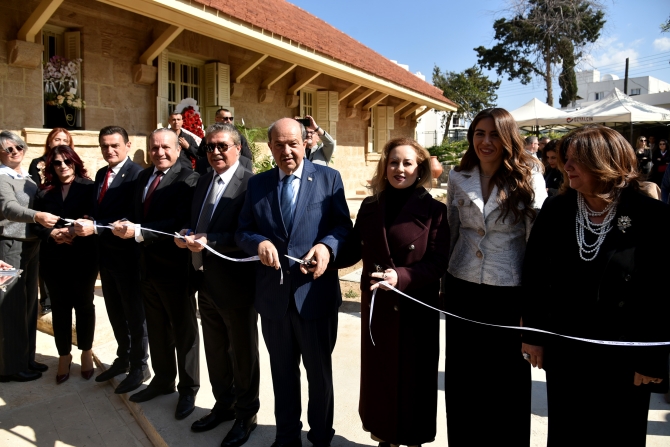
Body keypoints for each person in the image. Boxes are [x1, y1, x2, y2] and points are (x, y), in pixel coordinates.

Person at [521, 124, 670, 446]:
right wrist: (533, 335)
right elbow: (534, 276)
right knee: (568, 434)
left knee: (619, 435)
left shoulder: (652, 216)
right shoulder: (556, 210)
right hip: (567, 353)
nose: (566, 167)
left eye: (577, 160)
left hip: (625, 357)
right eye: (565, 159)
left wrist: (653, 358)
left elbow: (663, 291)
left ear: (606, 162)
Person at [235, 118, 352, 447]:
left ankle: (320, 438)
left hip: (314, 297)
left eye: (293, 143)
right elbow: (242, 230)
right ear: (270, 148)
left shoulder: (329, 179)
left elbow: (343, 228)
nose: (286, 150)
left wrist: (327, 246)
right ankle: (286, 437)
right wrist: (257, 242)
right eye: (279, 144)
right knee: (282, 376)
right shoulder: (258, 185)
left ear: (306, 144)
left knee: (319, 377)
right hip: (273, 301)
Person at [443, 108, 547, 446]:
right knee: (462, 379)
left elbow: (538, 244)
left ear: (507, 138)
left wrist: (531, 310)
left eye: (493, 134)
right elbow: (452, 229)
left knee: (507, 383)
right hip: (463, 287)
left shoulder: (528, 174)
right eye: (479, 134)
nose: (485, 141)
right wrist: (445, 285)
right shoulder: (458, 175)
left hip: (509, 291)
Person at [336, 137, 449, 447]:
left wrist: (400, 276)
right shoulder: (370, 206)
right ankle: (385, 436)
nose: (399, 168)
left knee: (415, 380)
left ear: (420, 168)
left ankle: (413, 439)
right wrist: (322, 255)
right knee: (381, 378)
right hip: (379, 309)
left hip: (416, 308)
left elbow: (439, 263)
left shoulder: (435, 211)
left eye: (407, 163)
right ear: (384, 166)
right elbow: (353, 250)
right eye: (393, 162)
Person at [175, 123, 259, 447]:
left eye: (222, 146)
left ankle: (246, 414)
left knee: (243, 355)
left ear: (238, 148)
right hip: (204, 283)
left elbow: (248, 234)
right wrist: (186, 233)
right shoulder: (204, 180)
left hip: (236, 287)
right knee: (216, 353)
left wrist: (209, 240)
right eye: (210, 147)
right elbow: (197, 222)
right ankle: (224, 405)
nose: (215, 152)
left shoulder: (251, 184)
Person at [111, 128, 200, 420]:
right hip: (146, 269)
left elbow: (179, 221)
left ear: (178, 149)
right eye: (154, 147)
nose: (159, 152)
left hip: (175, 271)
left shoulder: (188, 179)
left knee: (183, 332)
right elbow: (139, 216)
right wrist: (128, 223)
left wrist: (138, 231)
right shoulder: (143, 177)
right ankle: (163, 381)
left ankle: (188, 389)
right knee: (158, 330)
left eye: (165, 147)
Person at [73, 126, 149, 394]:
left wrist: (96, 226)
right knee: (116, 312)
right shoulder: (101, 174)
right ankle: (123, 357)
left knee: (134, 314)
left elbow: (131, 215)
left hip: (128, 258)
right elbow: (100, 209)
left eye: (115, 145)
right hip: (105, 257)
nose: (109, 150)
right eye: (104, 146)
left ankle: (140, 365)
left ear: (128, 145)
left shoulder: (137, 175)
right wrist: (89, 219)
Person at [34, 146, 98, 384]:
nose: (63, 166)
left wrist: (75, 230)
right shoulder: (44, 193)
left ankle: (86, 351)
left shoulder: (89, 187)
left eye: (67, 161)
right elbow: (36, 224)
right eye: (58, 163)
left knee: (84, 305)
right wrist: (53, 233)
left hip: (84, 257)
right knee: (60, 308)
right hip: (53, 258)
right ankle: (64, 355)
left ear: (75, 162)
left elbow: (96, 215)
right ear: (51, 166)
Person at [0, 131, 59, 383]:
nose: (14, 151)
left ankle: (25, 358)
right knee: (9, 305)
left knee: (28, 305)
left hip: (31, 245)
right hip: (8, 246)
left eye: (18, 147)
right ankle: (9, 367)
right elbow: (8, 208)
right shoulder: (2, 177)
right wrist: (36, 216)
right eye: (7, 149)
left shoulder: (26, 177)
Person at [29, 129, 70, 315]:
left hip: (67, 218)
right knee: (45, 264)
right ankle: (46, 302)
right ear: (49, 141)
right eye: (57, 139)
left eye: (65, 140)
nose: (61, 142)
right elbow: (36, 191)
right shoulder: (37, 163)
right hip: (45, 215)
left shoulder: (70, 161)